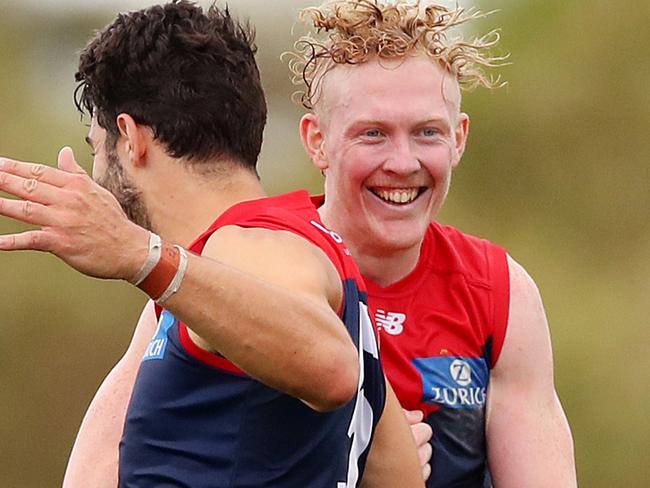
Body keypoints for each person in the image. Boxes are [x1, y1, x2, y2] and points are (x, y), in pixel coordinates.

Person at [0, 2, 424, 487]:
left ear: (130, 138)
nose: (97, 177)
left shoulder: (249, 245)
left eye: (97, 149)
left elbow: (330, 368)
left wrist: (139, 255)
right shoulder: (214, 274)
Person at [292, 1, 577, 487]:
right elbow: (123, 452)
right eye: (374, 134)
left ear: (459, 140)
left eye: (427, 133)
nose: (403, 163)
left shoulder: (499, 292)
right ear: (318, 141)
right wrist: (351, 451)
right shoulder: (244, 260)